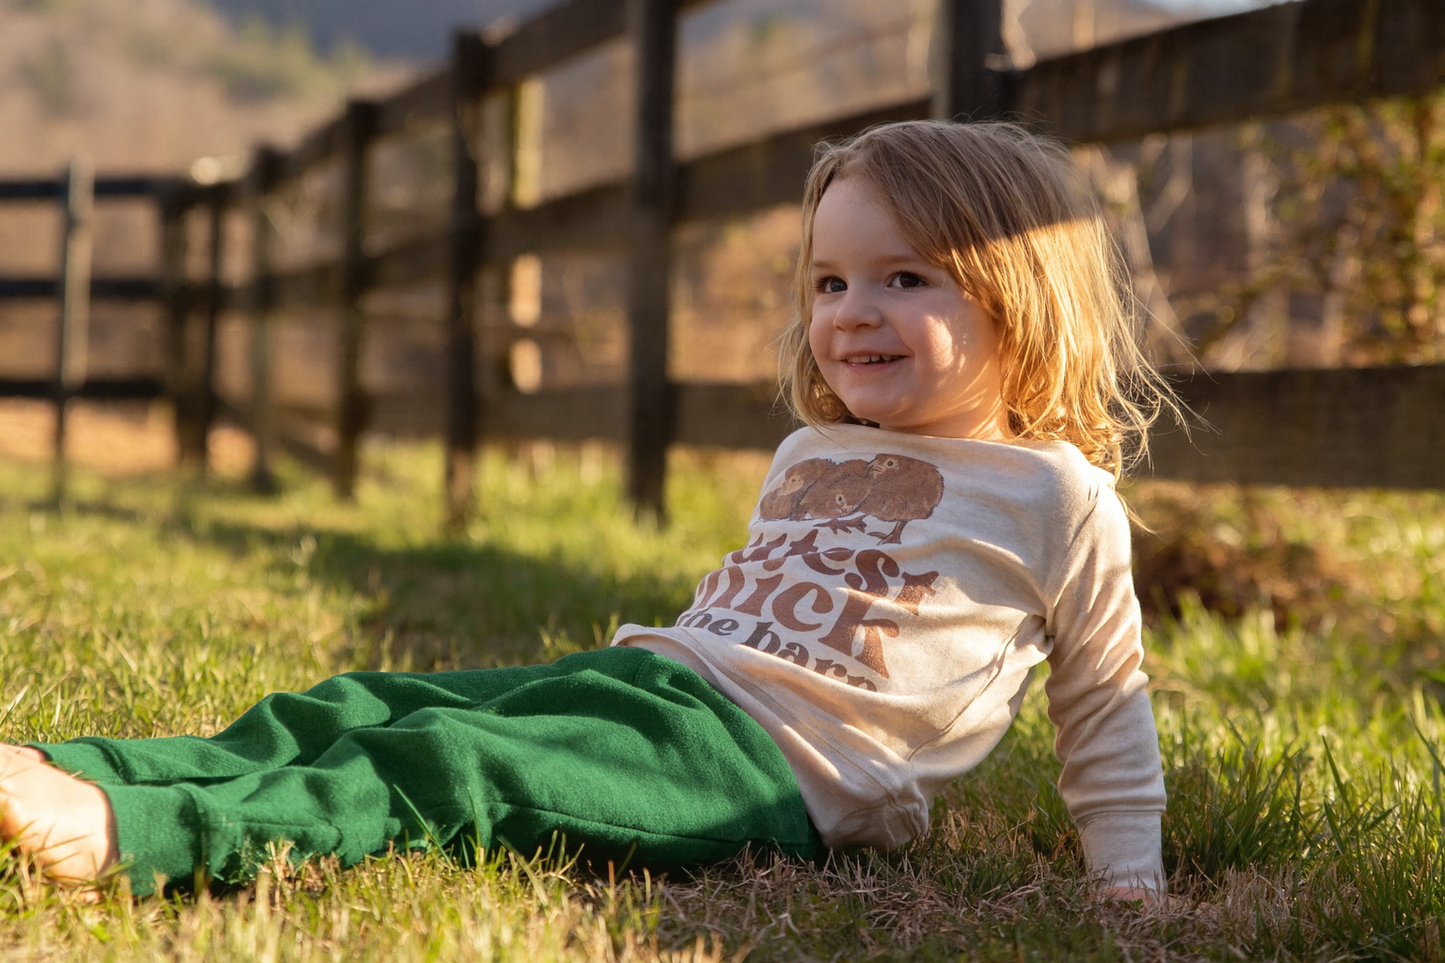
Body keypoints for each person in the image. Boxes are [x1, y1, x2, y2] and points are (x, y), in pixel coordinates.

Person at [0, 119, 1176, 901]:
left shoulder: (1055, 497)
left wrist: (1127, 887)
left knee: (450, 765)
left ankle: (124, 836)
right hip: (663, 685)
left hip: (779, 774)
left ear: (1015, 302)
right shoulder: (811, 450)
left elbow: (1104, 707)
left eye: (901, 278)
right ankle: (70, 766)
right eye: (828, 281)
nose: (850, 311)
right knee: (367, 700)